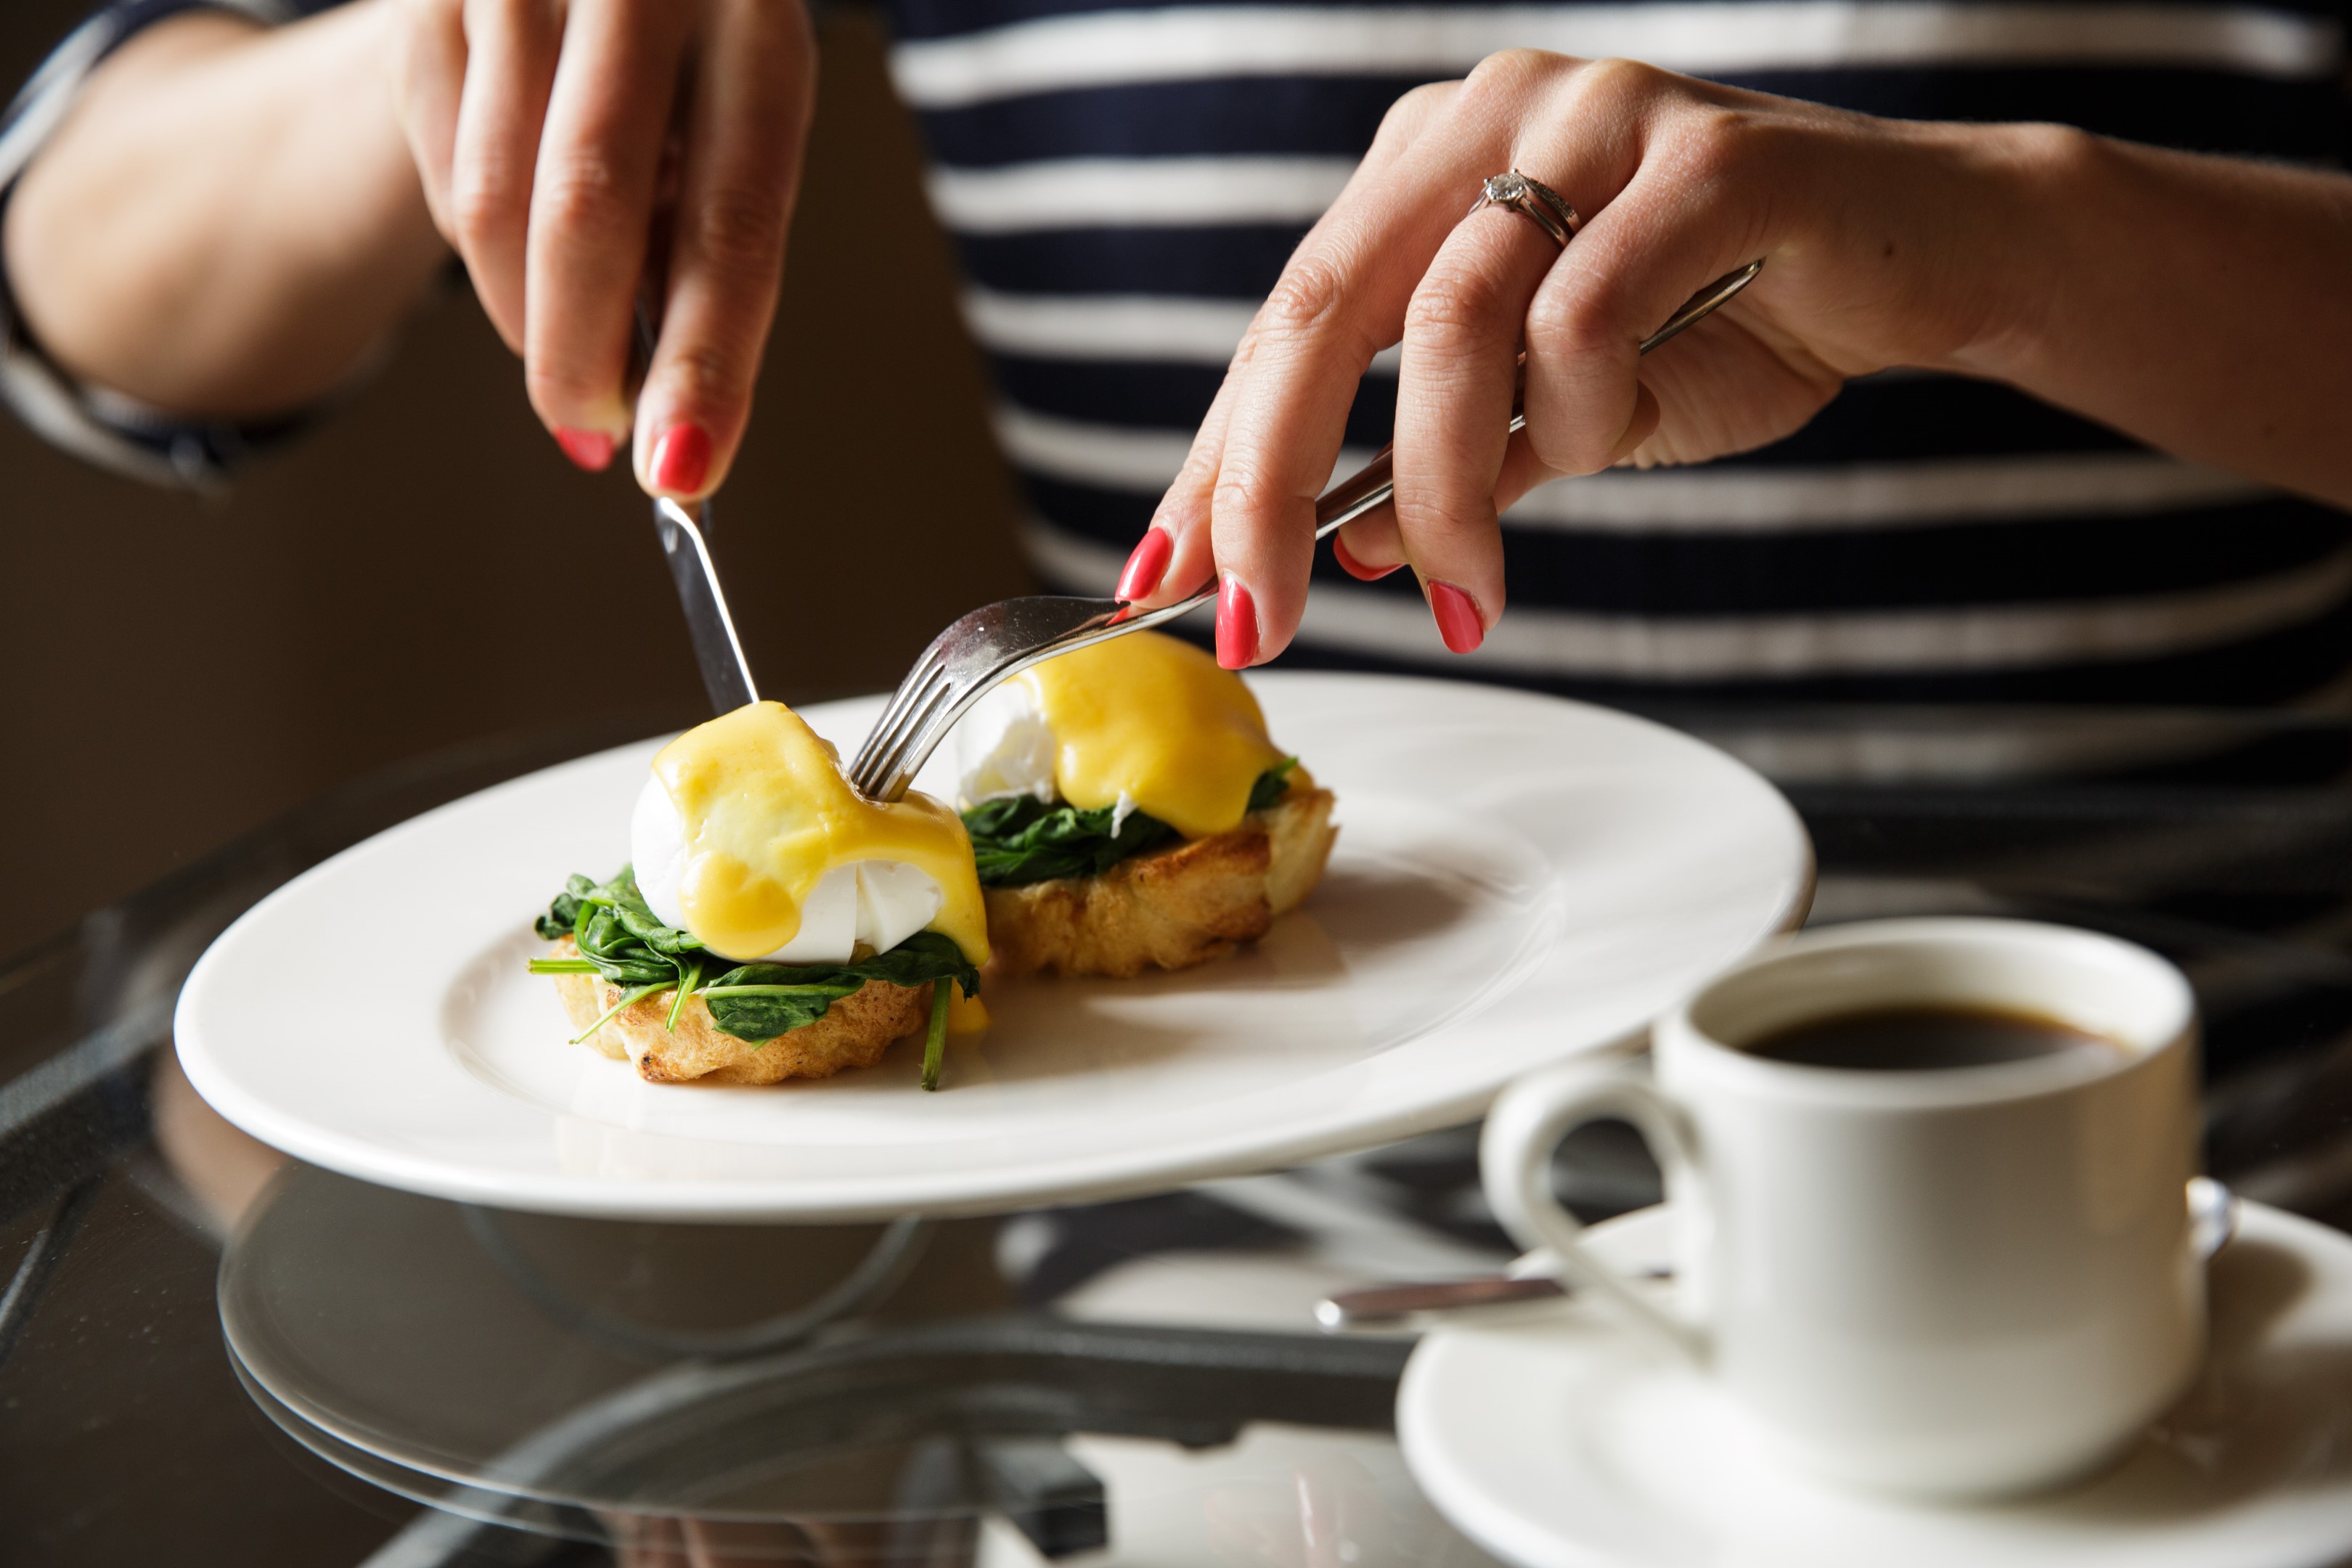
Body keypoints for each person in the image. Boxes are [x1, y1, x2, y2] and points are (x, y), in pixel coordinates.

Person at [6, 0, 2351, 716]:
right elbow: (72, 288)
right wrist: (428, 64)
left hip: (2177, 1222)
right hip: (1180, 1333)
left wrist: (2019, 245)